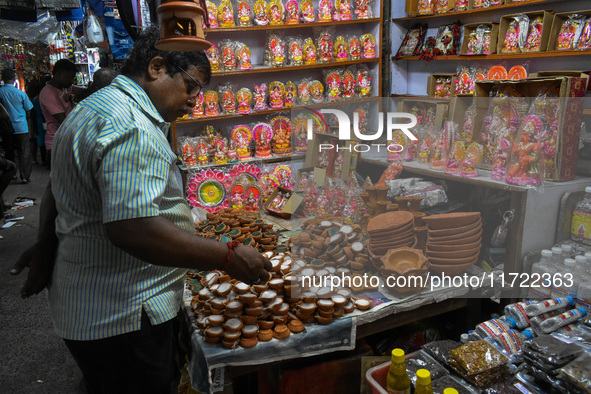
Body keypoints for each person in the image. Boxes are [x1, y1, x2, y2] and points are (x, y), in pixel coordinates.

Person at [11, 27, 272, 394]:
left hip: (92, 304)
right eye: (191, 86)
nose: (196, 100)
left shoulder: (94, 107)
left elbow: (58, 187)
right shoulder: (132, 125)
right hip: (123, 314)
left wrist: (46, 243)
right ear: (156, 67)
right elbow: (132, 229)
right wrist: (227, 257)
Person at [39, 59, 78, 170]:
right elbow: (65, 121)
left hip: (65, 141)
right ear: (59, 74)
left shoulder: (64, 89)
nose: (71, 81)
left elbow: (85, 91)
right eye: (69, 77)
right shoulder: (48, 93)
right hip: (57, 143)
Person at [0, 68, 33, 183]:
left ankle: (12, 174)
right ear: (14, 79)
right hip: (21, 127)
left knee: (9, 152)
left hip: (6, 128)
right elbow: (29, 109)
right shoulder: (20, 93)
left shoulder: (0, 92)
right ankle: (24, 176)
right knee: (24, 153)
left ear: (2, 79)